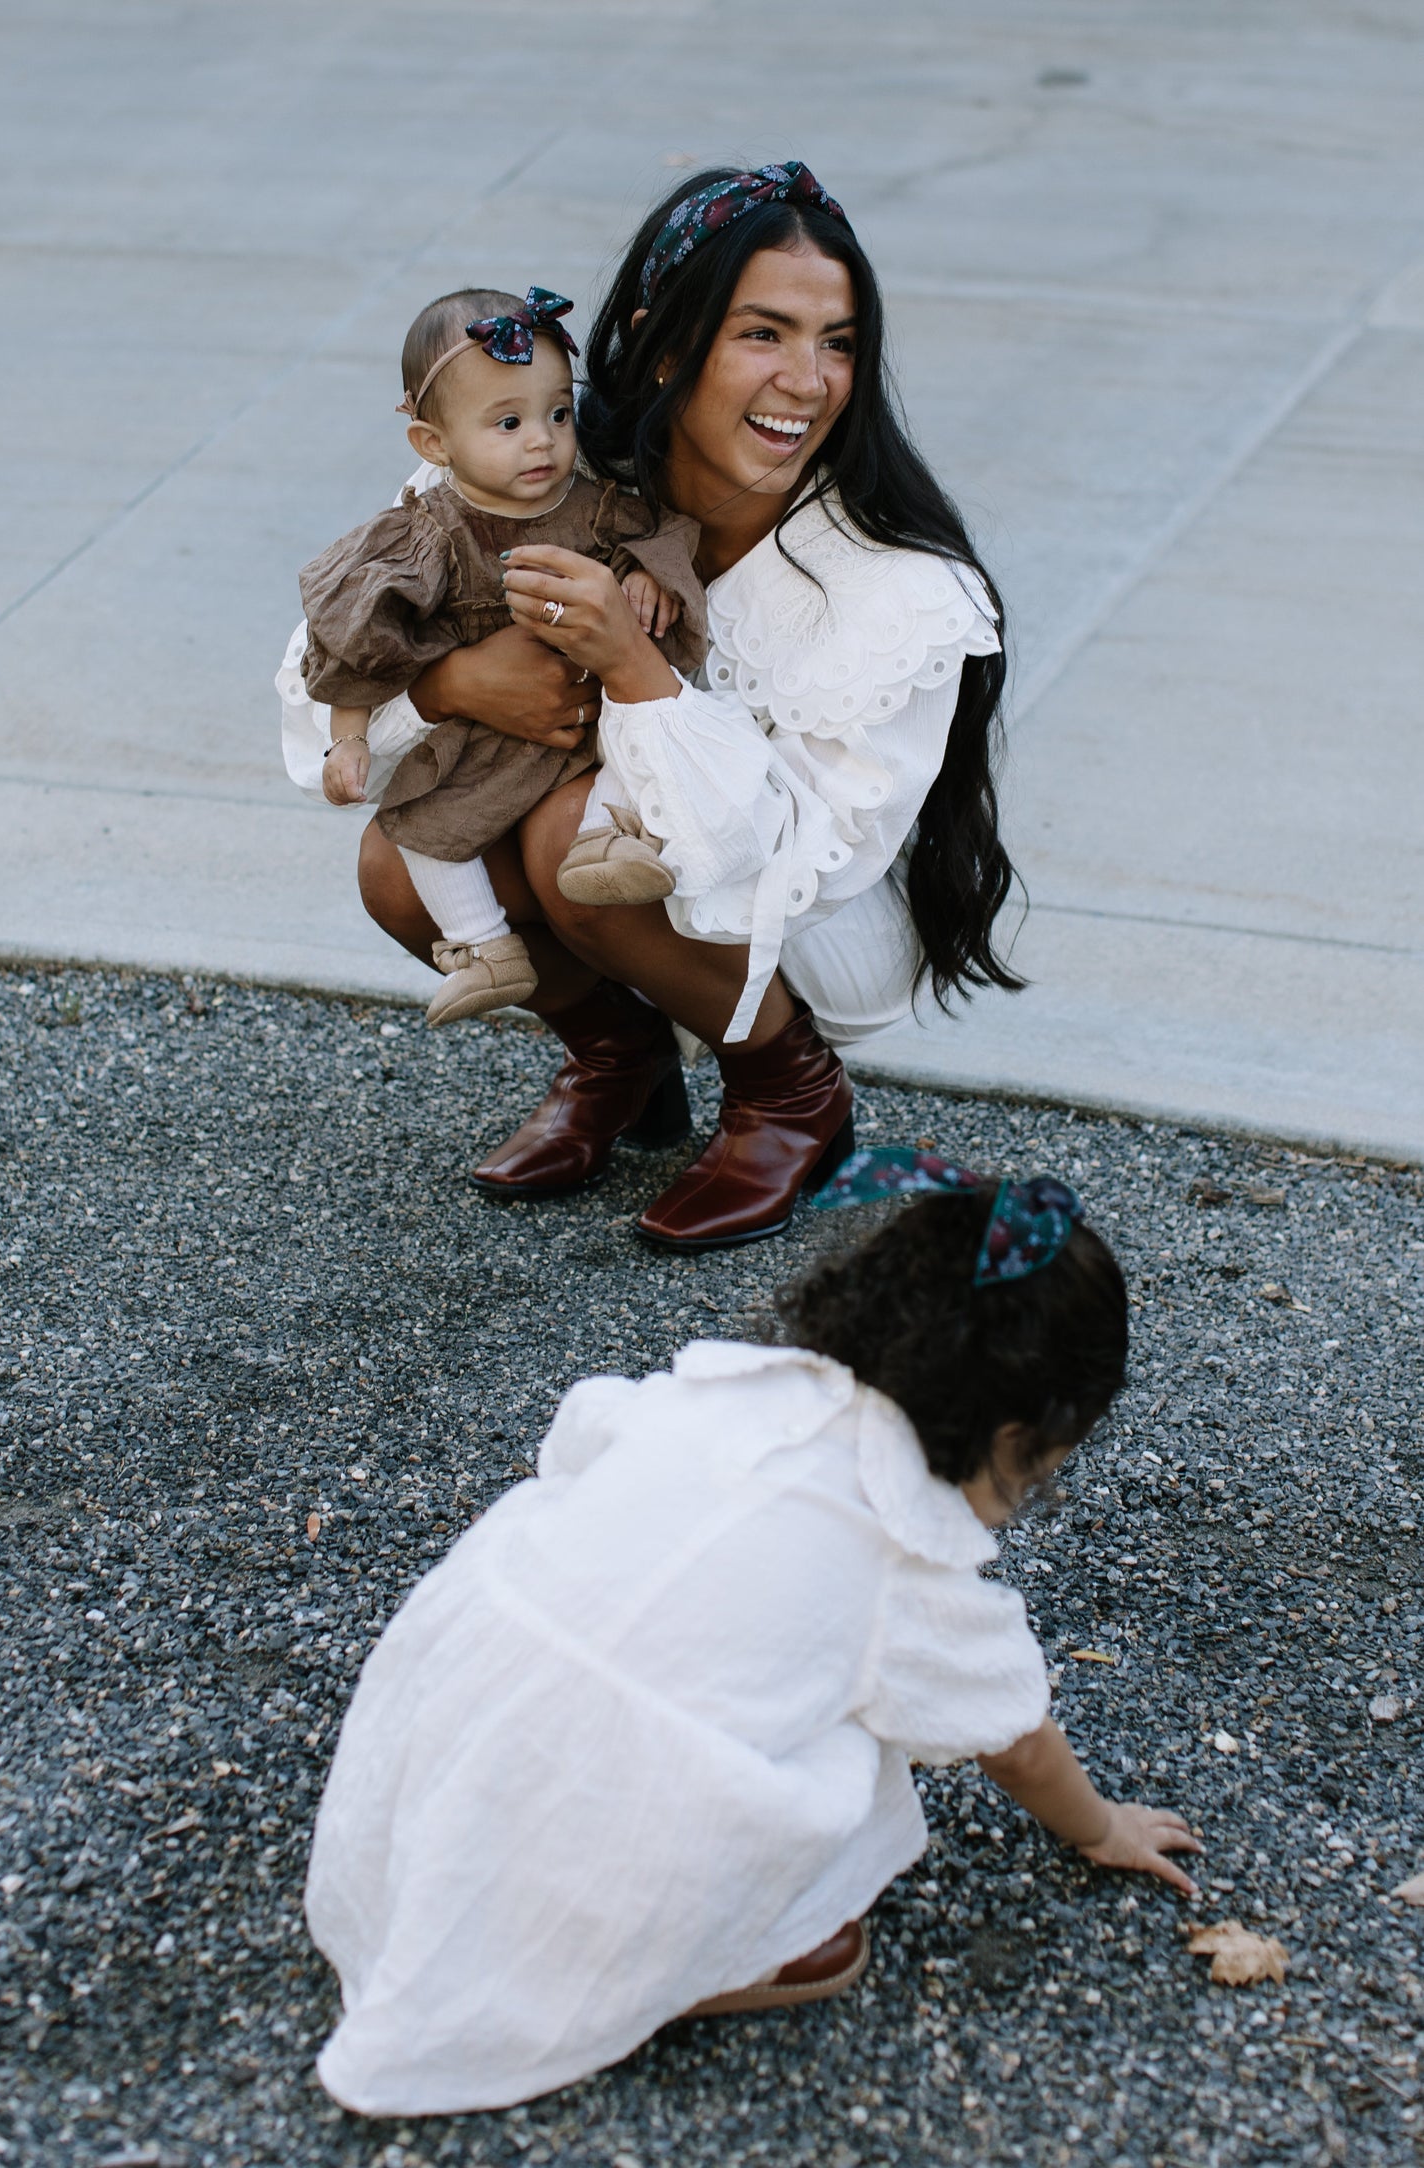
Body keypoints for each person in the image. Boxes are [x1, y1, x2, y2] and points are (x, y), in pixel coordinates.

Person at [304, 1155, 1202, 2115]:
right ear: (1019, 1435)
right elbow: (1015, 1744)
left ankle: (470, 1898)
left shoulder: (725, 1392)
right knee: (848, 1758)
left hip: (445, 1739)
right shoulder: (900, 1562)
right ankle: (665, 1964)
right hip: (595, 1821)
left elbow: (573, 1443)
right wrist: (1102, 1828)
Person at [279, 161, 1024, 1247]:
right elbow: (321, 665)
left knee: (564, 839)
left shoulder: (899, 589)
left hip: (809, 919)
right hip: (615, 874)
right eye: (762, 334)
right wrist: (445, 684)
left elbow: (808, 854)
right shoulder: (540, 461)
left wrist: (637, 672)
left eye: (838, 341)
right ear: (666, 341)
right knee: (398, 863)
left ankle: (788, 1094)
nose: (807, 380)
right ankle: (618, 1061)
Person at [288, 284, 706, 1027]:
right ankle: (485, 947)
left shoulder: (599, 505)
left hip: (589, 720)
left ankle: (616, 850)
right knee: (420, 822)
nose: (542, 441)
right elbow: (357, 644)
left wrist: (650, 575)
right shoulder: (426, 535)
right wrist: (347, 740)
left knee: (631, 758)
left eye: (557, 414)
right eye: (508, 423)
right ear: (433, 445)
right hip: (488, 743)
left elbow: (668, 531)